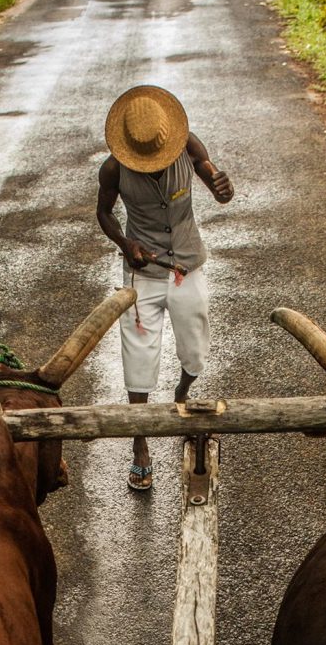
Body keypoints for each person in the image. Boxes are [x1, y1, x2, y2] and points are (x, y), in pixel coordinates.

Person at [97, 85, 234, 491]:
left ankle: (181, 392)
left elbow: (213, 178)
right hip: (144, 273)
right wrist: (125, 244)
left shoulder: (188, 146)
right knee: (138, 355)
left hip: (187, 265)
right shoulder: (113, 169)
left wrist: (221, 188)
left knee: (195, 351)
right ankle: (140, 446)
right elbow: (104, 214)